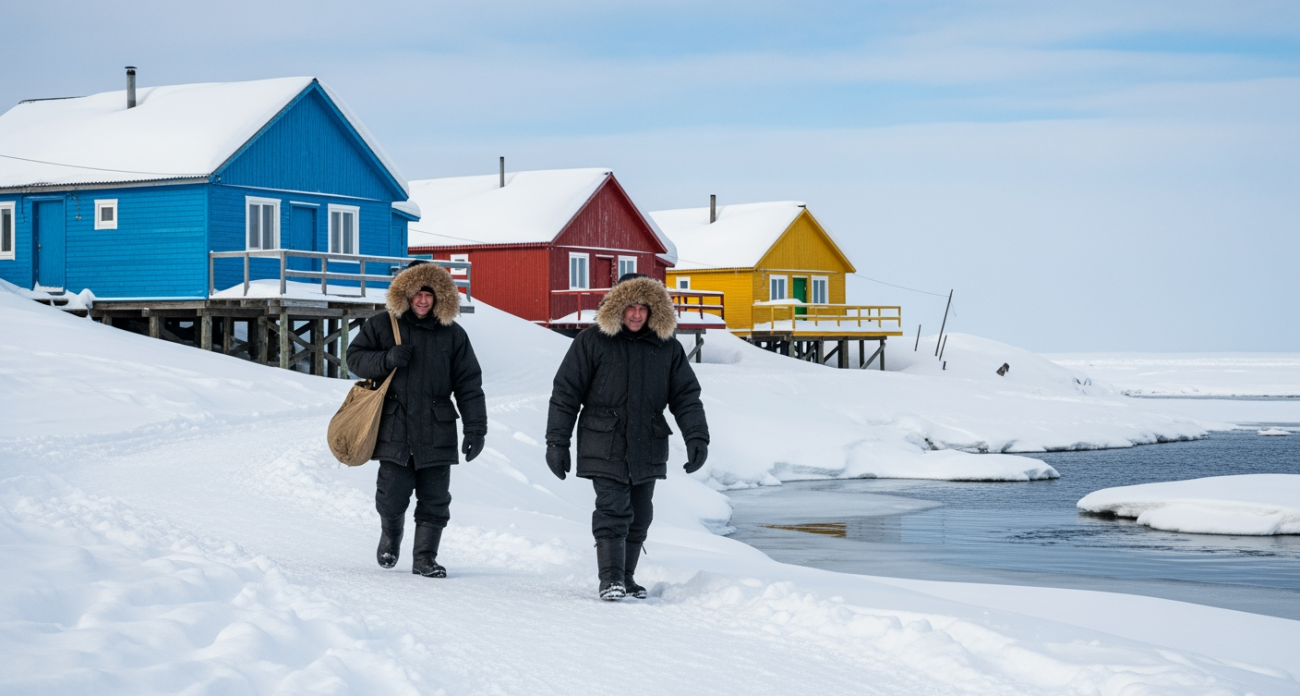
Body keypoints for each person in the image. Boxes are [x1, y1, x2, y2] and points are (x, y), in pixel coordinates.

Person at [545, 273, 709, 600]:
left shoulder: (667, 348)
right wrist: (556, 442)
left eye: (643, 308)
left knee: (641, 513)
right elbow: (565, 394)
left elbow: (686, 397)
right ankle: (610, 579)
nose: (636, 314)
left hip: (647, 442)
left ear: (653, 310)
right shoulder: (592, 342)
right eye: (629, 307)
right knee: (613, 509)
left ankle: (627, 577)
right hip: (602, 440)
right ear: (617, 307)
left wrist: (697, 437)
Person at [346, 261, 486, 578]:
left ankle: (425, 557)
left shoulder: (453, 334)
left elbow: (469, 385)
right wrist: (387, 359)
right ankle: (391, 536)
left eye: (429, 294)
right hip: (394, 426)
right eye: (417, 294)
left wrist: (476, 428)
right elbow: (354, 359)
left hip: (437, 428)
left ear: (439, 297)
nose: (423, 300)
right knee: (391, 497)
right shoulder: (382, 325)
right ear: (405, 295)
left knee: (435, 500)